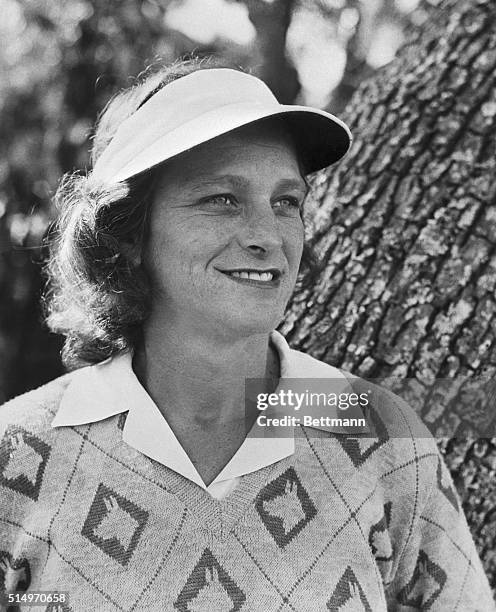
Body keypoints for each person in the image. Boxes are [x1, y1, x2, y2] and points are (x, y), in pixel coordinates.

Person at [0, 59, 494, 611]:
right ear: (129, 233)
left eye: (286, 202)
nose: (267, 237)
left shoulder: (379, 435)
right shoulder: (20, 453)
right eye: (222, 199)